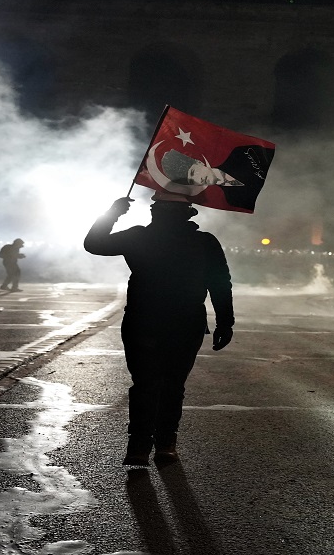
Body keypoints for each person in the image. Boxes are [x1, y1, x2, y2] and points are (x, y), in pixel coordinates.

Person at [84, 192, 234, 466]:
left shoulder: (138, 236)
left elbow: (94, 244)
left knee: (145, 384)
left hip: (143, 320)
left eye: (159, 209)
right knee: (173, 385)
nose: (156, 212)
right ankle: (165, 443)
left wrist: (112, 213)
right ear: (188, 214)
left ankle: (139, 446)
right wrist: (225, 321)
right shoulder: (204, 242)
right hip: (185, 321)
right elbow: (220, 284)